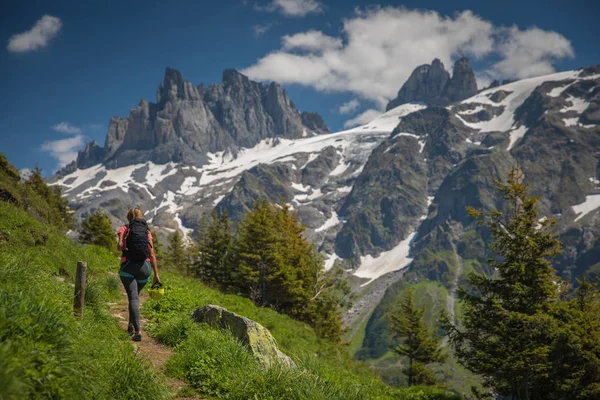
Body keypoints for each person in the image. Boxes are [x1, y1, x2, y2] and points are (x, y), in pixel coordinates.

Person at [117, 208, 160, 341]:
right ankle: (130, 324)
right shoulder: (147, 231)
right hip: (145, 268)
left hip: (128, 267)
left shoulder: (125, 229)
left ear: (129, 217)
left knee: (133, 298)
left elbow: (120, 246)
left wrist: (123, 242)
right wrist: (156, 275)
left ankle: (138, 331)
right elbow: (152, 254)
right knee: (135, 297)